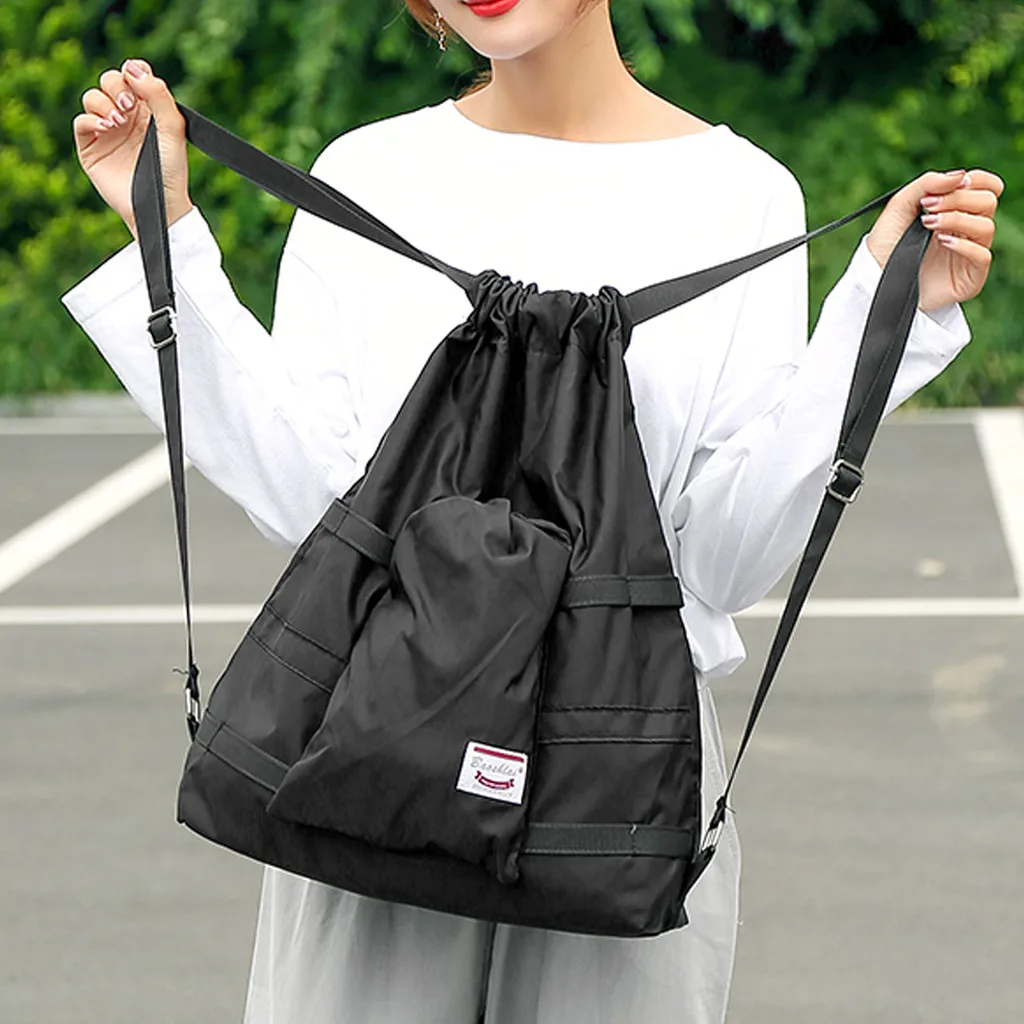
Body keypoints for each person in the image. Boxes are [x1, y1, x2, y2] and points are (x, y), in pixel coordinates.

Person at [63, 1, 1002, 1021]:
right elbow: (312, 505)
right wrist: (164, 233)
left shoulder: (742, 196)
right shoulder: (368, 173)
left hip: (619, 769)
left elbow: (720, 563)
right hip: (376, 748)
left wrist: (881, 315)